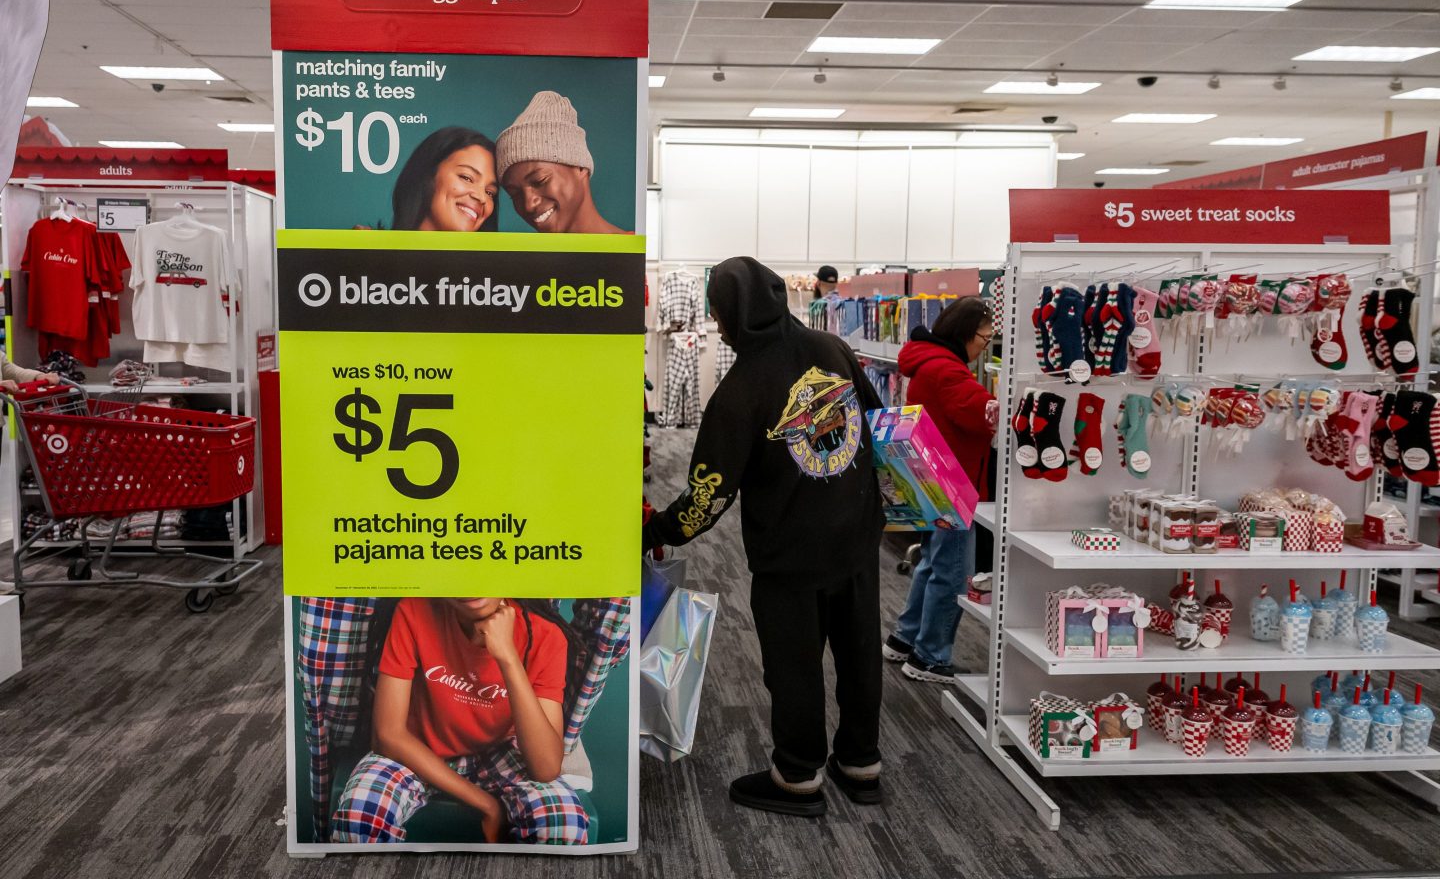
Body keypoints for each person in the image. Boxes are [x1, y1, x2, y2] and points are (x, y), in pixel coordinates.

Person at [643, 256, 885, 818]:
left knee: (794, 665)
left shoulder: (740, 390)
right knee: (859, 653)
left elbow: (707, 499)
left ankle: (799, 776)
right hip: (855, 535)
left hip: (791, 553)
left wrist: (651, 531)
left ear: (725, 314)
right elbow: (877, 420)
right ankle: (861, 764)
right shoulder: (833, 349)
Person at [330, 597, 589, 845]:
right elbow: (387, 735)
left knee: (564, 824)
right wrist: (487, 804)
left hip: (498, 752)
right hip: (418, 747)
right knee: (359, 819)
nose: (471, 588)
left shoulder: (545, 636)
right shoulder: (414, 611)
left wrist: (508, 657)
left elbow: (545, 769)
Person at [882, 297, 998, 684]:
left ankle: (905, 638)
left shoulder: (929, 363)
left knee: (933, 563)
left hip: (935, 479)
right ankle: (930, 656)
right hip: (953, 483)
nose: (986, 344)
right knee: (951, 572)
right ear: (966, 333)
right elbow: (981, 415)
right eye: (984, 337)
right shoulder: (948, 371)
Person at [496, 91, 629, 235]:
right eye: (515, 194)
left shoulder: (634, 253)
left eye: (540, 181)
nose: (528, 205)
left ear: (580, 167)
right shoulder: (523, 257)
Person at [389, 126, 500, 232]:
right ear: (427, 175)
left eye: (489, 192)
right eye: (466, 178)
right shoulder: (374, 246)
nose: (482, 197)